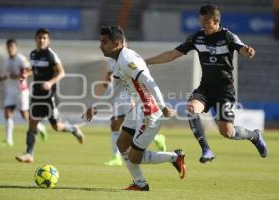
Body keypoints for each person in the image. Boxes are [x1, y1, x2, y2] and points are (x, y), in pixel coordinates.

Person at [145, 4, 267, 163]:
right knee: (191, 108)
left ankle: (255, 136)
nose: (203, 26)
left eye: (206, 23)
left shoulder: (228, 36)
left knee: (227, 132)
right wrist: (146, 62)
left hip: (225, 91)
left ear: (216, 21)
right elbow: (173, 54)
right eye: (201, 22)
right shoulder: (197, 37)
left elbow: (243, 49)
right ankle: (206, 149)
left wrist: (247, 51)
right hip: (205, 89)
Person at [82, 26, 186, 191]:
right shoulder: (118, 60)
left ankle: (175, 157)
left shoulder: (127, 60)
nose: (101, 45)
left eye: (104, 42)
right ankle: (140, 184)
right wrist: (95, 106)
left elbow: (149, 81)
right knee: (122, 144)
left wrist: (163, 107)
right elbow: (114, 89)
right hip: (138, 108)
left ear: (116, 43)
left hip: (149, 111)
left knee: (134, 157)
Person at [15, 28, 85, 163]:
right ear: (35, 39)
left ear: (48, 40)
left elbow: (61, 73)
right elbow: (33, 69)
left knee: (56, 127)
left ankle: (73, 129)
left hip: (49, 97)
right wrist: (26, 74)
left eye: (44, 38)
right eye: (39, 38)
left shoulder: (51, 55)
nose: (41, 40)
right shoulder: (33, 54)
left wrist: (49, 82)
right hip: (36, 96)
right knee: (32, 123)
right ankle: (29, 154)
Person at [103, 57, 167, 167]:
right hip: (118, 96)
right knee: (114, 125)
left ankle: (157, 138)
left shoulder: (129, 59)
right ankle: (116, 157)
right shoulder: (111, 61)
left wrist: (135, 97)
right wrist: (108, 82)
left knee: (134, 129)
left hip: (130, 96)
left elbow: (141, 77)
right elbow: (109, 77)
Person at [0, 39, 47, 147]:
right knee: (7, 113)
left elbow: (31, 70)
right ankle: (9, 140)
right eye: (8, 47)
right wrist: (2, 77)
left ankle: (40, 127)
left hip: (21, 90)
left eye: (12, 47)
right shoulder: (8, 60)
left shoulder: (21, 59)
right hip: (11, 90)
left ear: (16, 48)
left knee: (24, 115)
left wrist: (20, 76)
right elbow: (10, 74)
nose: (10, 49)